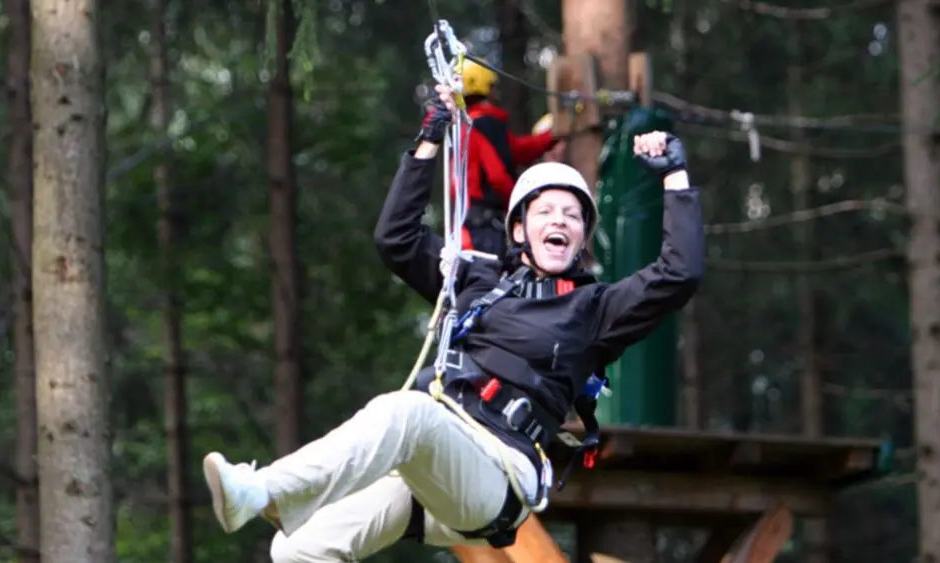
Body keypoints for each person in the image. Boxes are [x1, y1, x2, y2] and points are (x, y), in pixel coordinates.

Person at [200, 84, 704, 562]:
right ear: (519, 230)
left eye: (572, 216)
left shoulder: (595, 309)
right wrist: (429, 139)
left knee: (407, 412)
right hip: (432, 461)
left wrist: (674, 177)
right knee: (295, 550)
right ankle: (268, 501)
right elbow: (396, 240)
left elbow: (678, 274)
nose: (559, 221)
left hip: (498, 473)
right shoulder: (476, 282)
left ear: (580, 238)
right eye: (546, 211)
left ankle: (262, 490)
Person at [450, 59, 561, 256]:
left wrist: (552, 135)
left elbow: (516, 150)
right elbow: (497, 175)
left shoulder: (464, 128)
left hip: (465, 225)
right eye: (494, 86)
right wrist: (523, 205)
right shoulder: (487, 124)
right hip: (485, 226)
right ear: (486, 87)